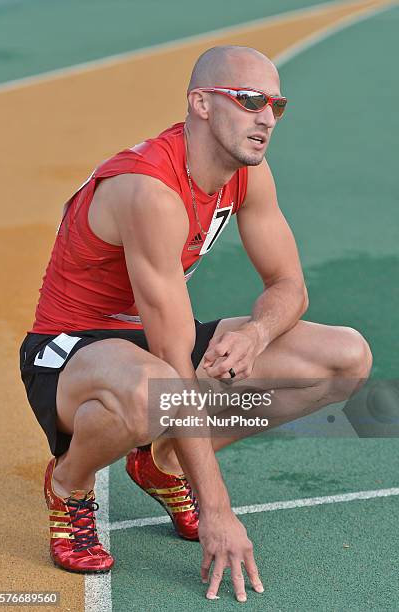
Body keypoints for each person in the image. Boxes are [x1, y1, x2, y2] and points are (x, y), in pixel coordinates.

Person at [19, 45, 372, 602]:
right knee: (147, 394)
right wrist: (218, 511)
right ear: (200, 103)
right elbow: (170, 365)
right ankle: (69, 485)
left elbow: (289, 286)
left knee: (344, 359)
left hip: (149, 343)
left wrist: (255, 334)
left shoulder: (246, 175)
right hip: (70, 349)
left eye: (276, 107)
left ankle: (159, 465)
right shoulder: (150, 190)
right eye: (250, 100)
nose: (265, 119)